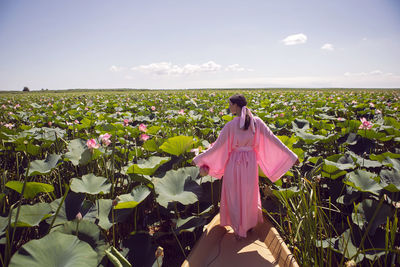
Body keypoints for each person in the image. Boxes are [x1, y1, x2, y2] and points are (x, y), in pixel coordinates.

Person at [192, 94, 299, 240]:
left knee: (234, 196)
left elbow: (217, 147)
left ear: (236, 106)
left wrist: (198, 159)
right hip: (250, 165)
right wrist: (292, 156)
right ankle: (247, 227)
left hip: (234, 165)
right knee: (248, 195)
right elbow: (273, 140)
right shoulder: (257, 122)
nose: (229, 107)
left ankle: (238, 229)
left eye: (230, 104)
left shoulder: (230, 126)